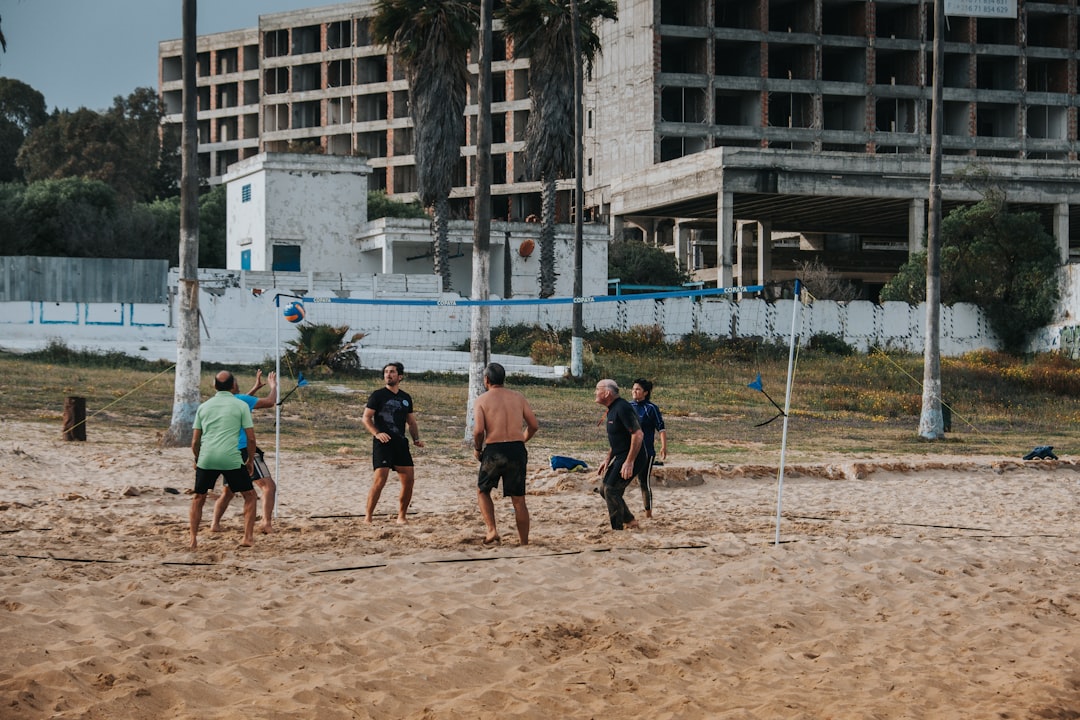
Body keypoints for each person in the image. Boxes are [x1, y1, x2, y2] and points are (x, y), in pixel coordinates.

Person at [190, 370, 259, 550]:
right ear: (233, 386)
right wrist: (250, 460)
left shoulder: (203, 407)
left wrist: (197, 459)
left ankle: (193, 539)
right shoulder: (241, 405)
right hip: (230, 457)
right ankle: (247, 537)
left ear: (214, 386)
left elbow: (195, 441)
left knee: (199, 497)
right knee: (250, 496)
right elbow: (251, 439)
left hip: (207, 456)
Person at [472, 362, 539, 545]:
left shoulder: (482, 400)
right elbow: (534, 425)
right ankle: (524, 541)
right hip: (516, 450)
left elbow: (478, 431)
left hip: (495, 450)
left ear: (486, 379)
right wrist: (521, 439)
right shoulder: (518, 397)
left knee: (483, 490)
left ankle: (492, 530)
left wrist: (478, 449)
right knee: (519, 500)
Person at [210, 369, 278, 535]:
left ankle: (215, 524)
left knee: (228, 491)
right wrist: (274, 386)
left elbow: (239, 402)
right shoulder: (241, 400)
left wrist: (254, 389)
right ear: (233, 385)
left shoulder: (218, 402)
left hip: (226, 451)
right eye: (236, 382)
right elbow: (270, 402)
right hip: (243, 450)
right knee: (268, 486)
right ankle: (266, 523)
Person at [362, 362, 423, 524]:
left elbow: (411, 422)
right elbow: (366, 418)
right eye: (386, 372)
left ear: (400, 376)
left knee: (409, 480)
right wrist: (377, 433)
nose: (388, 375)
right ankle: (368, 517)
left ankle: (401, 516)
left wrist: (416, 439)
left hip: (400, 444)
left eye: (392, 372)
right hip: (383, 443)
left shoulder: (405, 398)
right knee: (380, 479)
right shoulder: (377, 395)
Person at [594, 379, 645, 531]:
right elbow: (619, 438)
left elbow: (638, 434)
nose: (595, 393)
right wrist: (608, 458)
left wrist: (629, 462)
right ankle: (629, 520)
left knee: (611, 490)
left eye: (598, 389)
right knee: (604, 489)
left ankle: (617, 529)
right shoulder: (612, 408)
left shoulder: (622, 408)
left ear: (607, 392)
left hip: (634, 457)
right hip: (621, 456)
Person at [630, 378, 667, 519]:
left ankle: (648, 514)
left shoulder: (651, 408)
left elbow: (661, 429)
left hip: (646, 452)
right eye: (633, 389)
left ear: (645, 392)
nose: (634, 391)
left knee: (643, 481)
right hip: (629, 450)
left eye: (638, 389)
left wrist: (664, 446)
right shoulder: (628, 406)